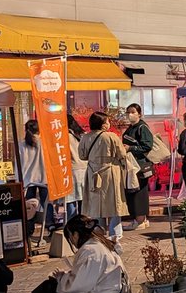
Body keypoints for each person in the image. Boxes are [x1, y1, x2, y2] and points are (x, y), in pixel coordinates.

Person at [10, 215, 129, 293]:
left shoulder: (91, 251)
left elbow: (81, 285)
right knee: (51, 288)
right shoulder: (99, 243)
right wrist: (65, 276)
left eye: (71, 236)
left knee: (47, 289)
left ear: (76, 234)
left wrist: (62, 278)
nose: (71, 240)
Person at [78, 112, 128, 246]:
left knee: (96, 203)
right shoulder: (112, 137)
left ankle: (99, 231)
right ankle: (114, 234)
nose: (109, 123)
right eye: (107, 121)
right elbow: (122, 154)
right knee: (114, 202)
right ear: (103, 124)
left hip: (93, 172)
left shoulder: (85, 137)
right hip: (110, 171)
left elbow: (82, 156)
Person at [122, 103, 154, 231]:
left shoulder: (142, 127)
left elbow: (147, 146)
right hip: (132, 165)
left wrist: (131, 148)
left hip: (139, 166)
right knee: (134, 191)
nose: (130, 114)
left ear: (139, 114)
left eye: (133, 112)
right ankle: (141, 219)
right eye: (128, 112)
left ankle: (139, 220)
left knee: (139, 192)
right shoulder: (131, 127)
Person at [18, 119, 47, 238]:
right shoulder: (44, 143)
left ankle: (29, 226)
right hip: (43, 178)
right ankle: (49, 224)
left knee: (29, 206)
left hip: (28, 179)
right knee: (46, 203)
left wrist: (18, 179)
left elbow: (18, 164)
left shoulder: (22, 144)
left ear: (25, 130)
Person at [63, 116, 87, 224]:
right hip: (85, 169)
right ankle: (85, 224)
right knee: (84, 200)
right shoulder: (83, 135)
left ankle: (72, 225)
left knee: (71, 200)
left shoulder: (64, 137)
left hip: (72, 171)